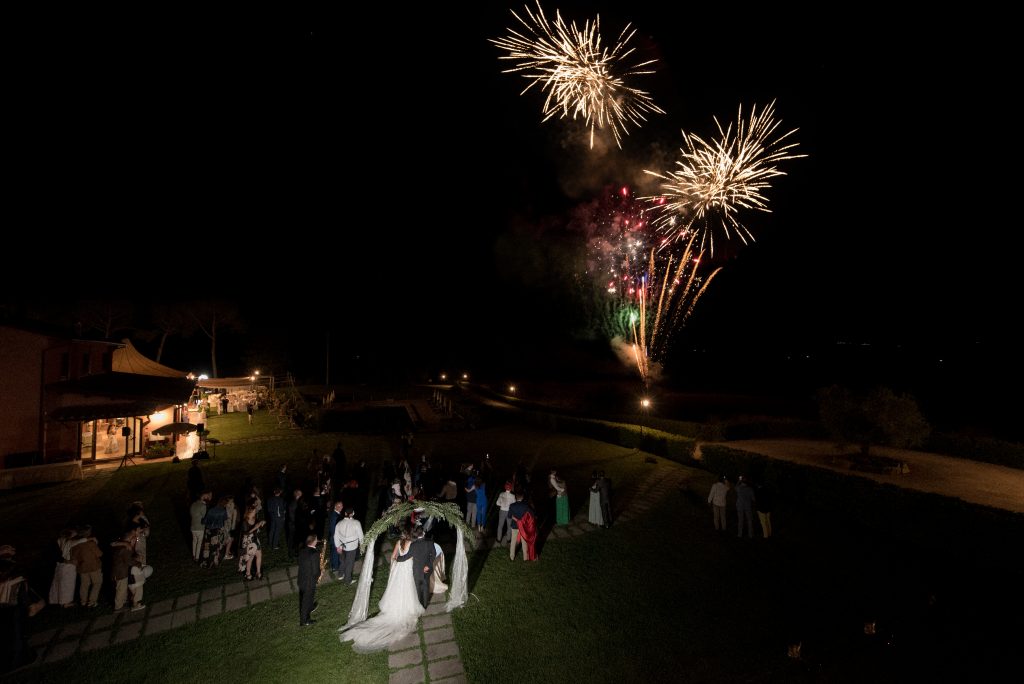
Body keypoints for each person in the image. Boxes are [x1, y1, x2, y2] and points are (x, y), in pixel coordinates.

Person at [339, 527, 425, 653]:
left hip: (398, 569)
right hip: (406, 569)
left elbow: (393, 557)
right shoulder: (411, 544)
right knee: (406, 589)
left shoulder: (398, 542)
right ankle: (404, 609)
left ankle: (394, 606)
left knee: (396, 588)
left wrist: (393, 568)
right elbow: (411, 558)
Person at [396, 526, 435, 609]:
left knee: (417, 587)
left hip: (417, 570)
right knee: (425, 586)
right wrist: (428, 565)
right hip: (427, 569)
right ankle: (425, 606)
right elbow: (433, 555)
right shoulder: (430, 542)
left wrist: (398, 558)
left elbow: (406, 556)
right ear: (424, 533)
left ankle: (419, 605)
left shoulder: (413, 545)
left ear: (416, 535)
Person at [334, 508, 364, 585]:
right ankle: (347, 580)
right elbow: (361, 536)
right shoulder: (356, 523)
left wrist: (338, 546)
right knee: (349, 563)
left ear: (345, 513)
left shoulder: (339, 523)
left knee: (342, 561)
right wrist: (362, 545)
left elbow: (336, 536)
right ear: (352, 514)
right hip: (352, 547)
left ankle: (340, 575)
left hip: (341, 546)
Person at [297, 535, 321, 626]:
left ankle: (310, 607)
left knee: (309, 596)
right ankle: (304, 621)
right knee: (305, 601)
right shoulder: (314, 553)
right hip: (309, 581)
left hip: (302, 578)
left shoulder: (302, 550)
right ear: (313, 542)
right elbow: (315, 571)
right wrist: (319, 574)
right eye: (316, 540)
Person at [508, 492, 537, 561]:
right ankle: (525, 558)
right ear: (522, 497)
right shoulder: (526, 506)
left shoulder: (512, 505)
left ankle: (512, 557)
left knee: (513, 541)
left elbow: (509, 516)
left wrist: (515, 518)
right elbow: (532, 515)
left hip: (514, 526)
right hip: (523, 526)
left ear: (515, 497)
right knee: (524, 541)